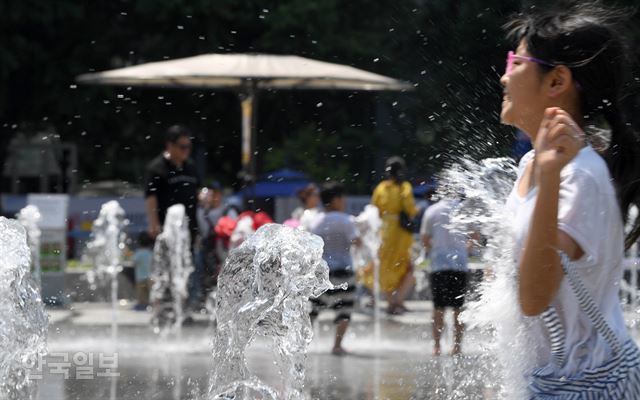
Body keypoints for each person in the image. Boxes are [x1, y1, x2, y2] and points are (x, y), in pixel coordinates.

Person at [500, 3, 640, 396]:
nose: (503, 75)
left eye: (515, 61)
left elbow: (534, 297)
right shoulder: (534, 162)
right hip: (555, 379)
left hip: (591, 385)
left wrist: (548, 179)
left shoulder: (578, 176)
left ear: (556, 80)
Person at [310, 181, 360, 355]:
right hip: (344, 272)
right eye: (342, 198)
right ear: (335, 199)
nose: (344, 201)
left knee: (313, 309)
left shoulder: (316, 222)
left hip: (322, 273)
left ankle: (300, 344)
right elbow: (357, 241)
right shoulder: (346, 220)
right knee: (344, 310)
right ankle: (337, 345)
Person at [420, 197, 469, 356]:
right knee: (458, 308)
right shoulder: (463, 210)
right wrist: (462, 249)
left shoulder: (432, 211)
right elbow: (475, 236)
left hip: (439, 265)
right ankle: (457, 346)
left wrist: (437, 249)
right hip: (460, 265)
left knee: (438, 307)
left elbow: (425, 239)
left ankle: (437, 346)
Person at [371, 156, 417, 315]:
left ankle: (392, 302)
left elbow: (374, 211)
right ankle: (397, 301)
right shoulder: (405, 187)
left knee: (385, 268)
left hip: (385, 233)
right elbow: (410, 210)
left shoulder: (381, 188)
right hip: (402, 234)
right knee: (407, 267)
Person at [144, 125, 200, 241]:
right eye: (182, 147)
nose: (186, 150)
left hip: (189, 228)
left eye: (188, 146)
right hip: (166, 227)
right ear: (170, 145)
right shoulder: (157, 168)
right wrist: (153, 223)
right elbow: (150, 197)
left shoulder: (191, 166)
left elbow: (198, 190)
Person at [132, 231, 154, 311]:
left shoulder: (138, 253)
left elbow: (134, 262)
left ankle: (141, 305)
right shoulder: (150, 253)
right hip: (150, 278)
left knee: (141, 294)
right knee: (150, 293)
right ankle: (150, 305)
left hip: (140, 278)